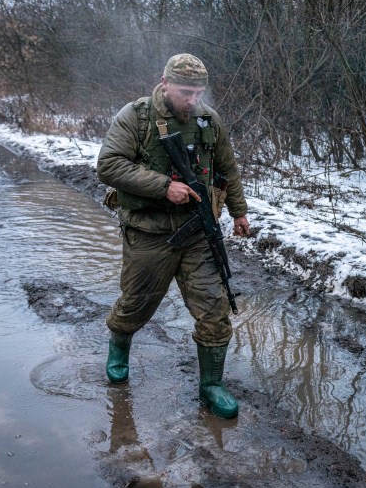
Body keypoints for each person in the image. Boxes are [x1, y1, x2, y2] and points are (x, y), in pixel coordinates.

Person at [96, 53, 251, 419]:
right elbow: (109, 165)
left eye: (199, 92)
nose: (193, 100)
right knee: (136, 304)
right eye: (185, 92)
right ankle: (118, 349)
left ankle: (211, 384)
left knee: (214, 310)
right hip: (150, 233)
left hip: (198, 232)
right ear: (164, 84)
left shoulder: (208, 120)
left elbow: (228, 166)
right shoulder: (135, 117)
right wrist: (164, 186)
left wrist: (239, 212)